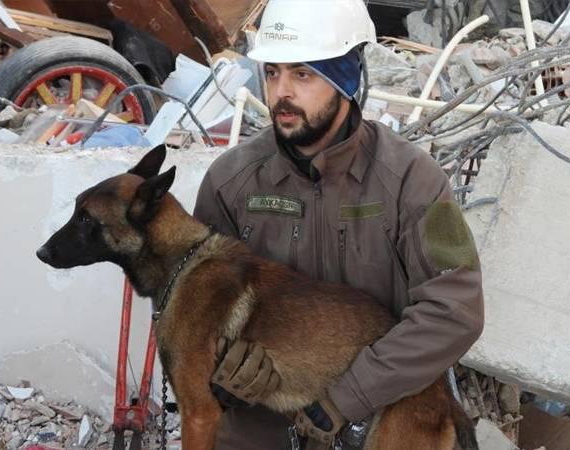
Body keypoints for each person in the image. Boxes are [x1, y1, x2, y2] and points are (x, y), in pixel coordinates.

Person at [192, 1, 484, 448]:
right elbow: (195, 310)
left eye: (302, 74)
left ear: (345, 79)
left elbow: (454, 311)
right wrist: (222, 372)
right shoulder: (229, 184)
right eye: (272, 73)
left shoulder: (414, 181)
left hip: (379, 419)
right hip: (263, 429)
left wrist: (345, 399)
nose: (281, 93)